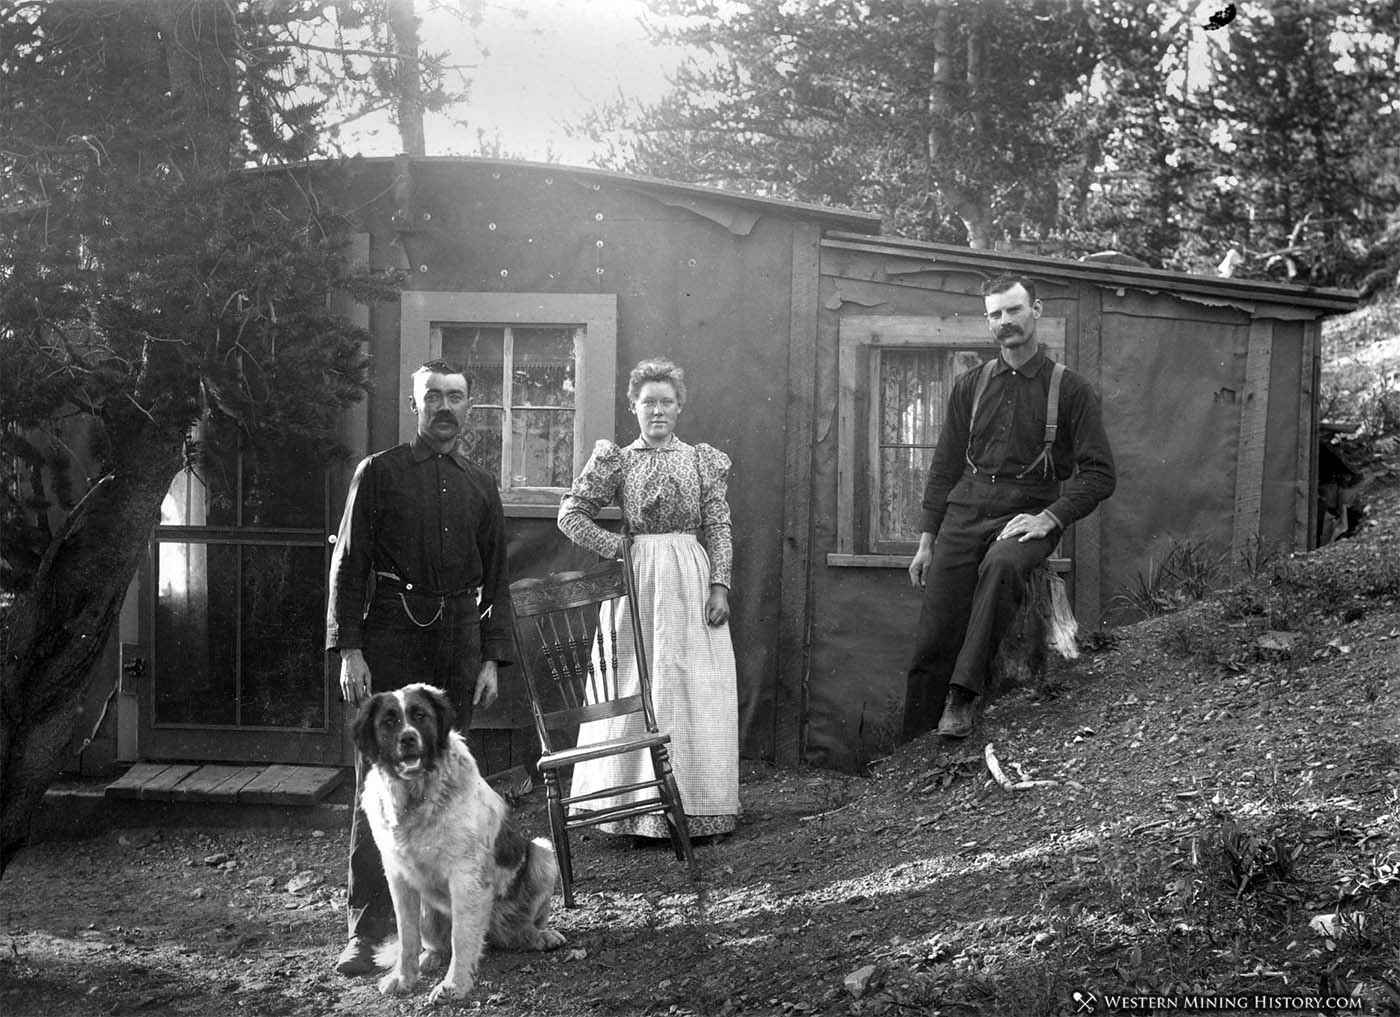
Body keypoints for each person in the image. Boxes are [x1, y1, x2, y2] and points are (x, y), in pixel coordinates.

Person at [325, 358, 515, 975]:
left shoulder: (480, 485)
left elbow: (498, 582)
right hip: (391, 634)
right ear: (415, 404)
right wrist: (350, 649)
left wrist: (492, 655)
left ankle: (446, 931)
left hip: (458, 635)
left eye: (455, 397)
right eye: (432, 396)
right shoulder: (378, 474)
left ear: (468, 408)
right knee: (378, 785)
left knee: (447, 786)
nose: (444, 407)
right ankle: (366, 931)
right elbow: (348, 564)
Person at [904, 274, 1116, 741]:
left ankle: (962, 698)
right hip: (966, 508)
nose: (1006, 321)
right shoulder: (971, 386)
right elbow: (942, 469)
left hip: (1029, 512)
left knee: (1002, 565)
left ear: (1035, 311)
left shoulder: (1071, 390)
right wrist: (926, 541)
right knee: (934, 632)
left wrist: (1050, 518)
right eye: (996, 314)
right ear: (988, 322)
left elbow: (1100, 474)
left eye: (1014, 310)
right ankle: (912, 749)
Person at [557, 358, 740, 840]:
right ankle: (631, 810)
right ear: (633, 407)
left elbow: (718, 525)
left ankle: (698, 806)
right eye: (648, 402)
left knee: (691, 684)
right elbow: (572, 514)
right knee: (633, 682)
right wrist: (617, 547)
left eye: (666, 402)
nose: (657, 411)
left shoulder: (702, 459)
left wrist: (720, 584)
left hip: (689, 575)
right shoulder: (618, 459)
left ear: (679, 407)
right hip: (637, 579)